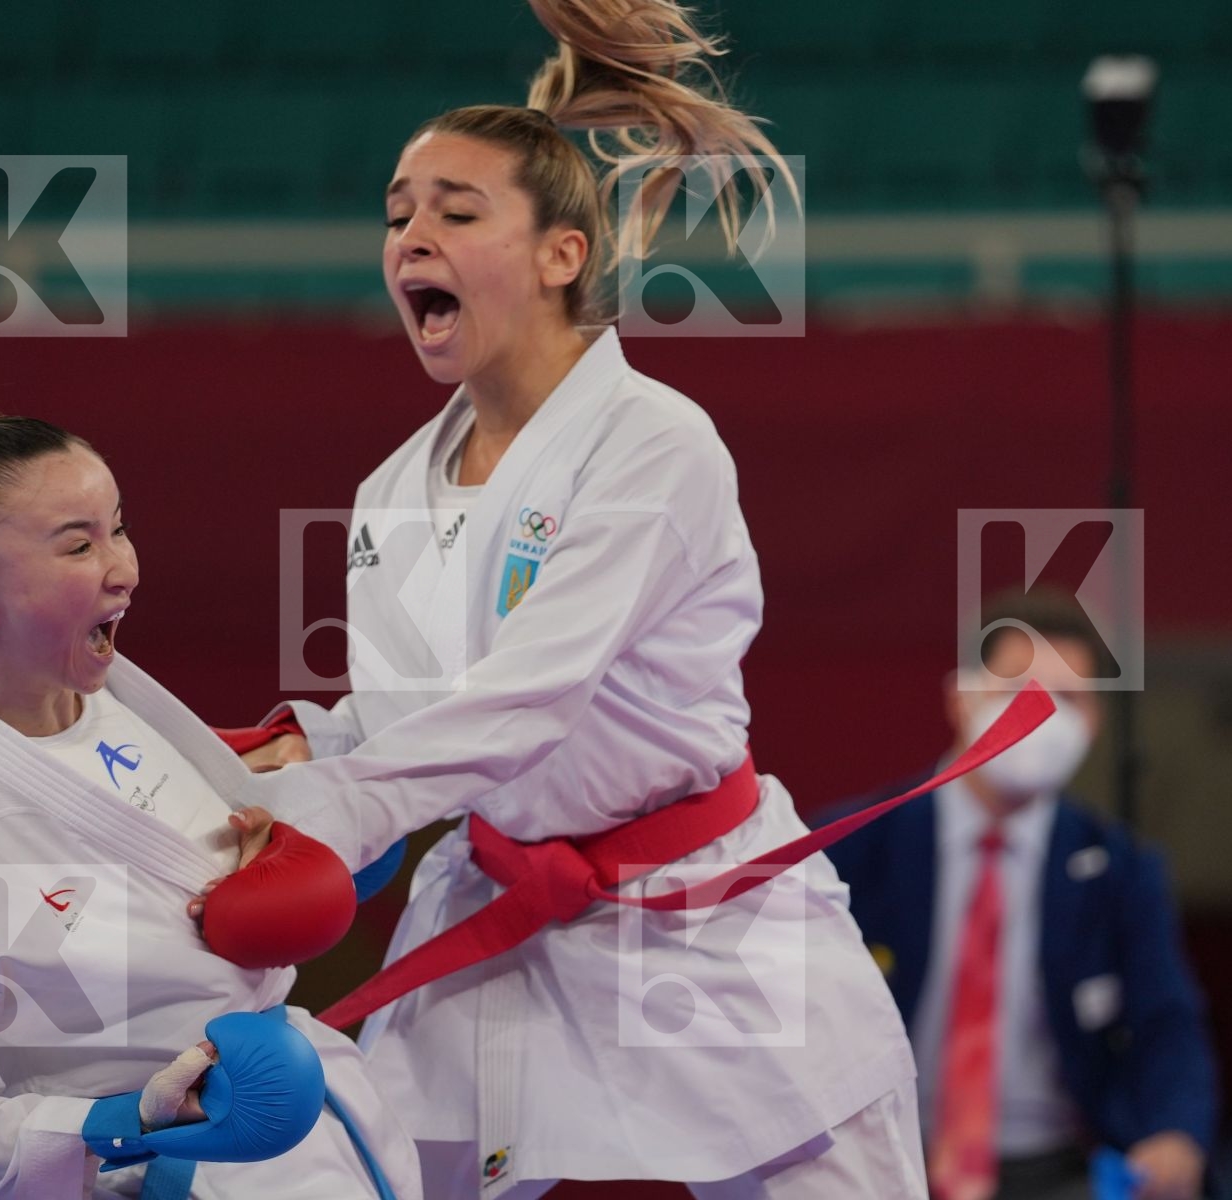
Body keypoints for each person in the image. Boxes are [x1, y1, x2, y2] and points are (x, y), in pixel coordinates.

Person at [212, 1, 927, 1196]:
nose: (411, 237)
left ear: (562, 255)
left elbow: (528, 698)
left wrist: (336, 806)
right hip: (496, 900)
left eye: (455, 212)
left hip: (700, 912)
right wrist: (295, 763)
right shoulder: (393, 489)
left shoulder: (654, 443)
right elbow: (413, 718)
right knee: (384, 1175)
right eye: (397, 214)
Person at [0, 383, 421, 1199]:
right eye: (78, 546)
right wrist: (123, 1120)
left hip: (320, 1137)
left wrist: (290, 843)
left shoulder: (116, 698)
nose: (125, 570)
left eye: (119, 528)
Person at [818, 587, 1219, 1200]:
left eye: (1068, 698)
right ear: (961, 698)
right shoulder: (851, 850)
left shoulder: (1120, 871)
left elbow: (1166, 1020)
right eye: (1017, 689)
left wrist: (1175, 1132)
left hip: (1055, 1168)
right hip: (880, 1164)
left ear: (1094, 722)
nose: (1041, 714)